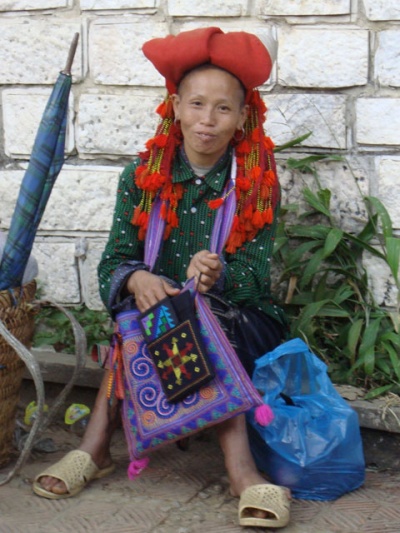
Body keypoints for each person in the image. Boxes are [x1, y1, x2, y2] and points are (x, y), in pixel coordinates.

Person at [33, 27, 291, 529]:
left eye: (223, 108)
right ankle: (98, 447)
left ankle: (237, 470)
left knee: (195, 314)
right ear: (175, 107)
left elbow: (257, 279)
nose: (208, 120)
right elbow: (113, 263)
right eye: (196, 104)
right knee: (141, 315)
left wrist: (216, 274)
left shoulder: (255, 184)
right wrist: (136, 280)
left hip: (240, 322)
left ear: (242, 117)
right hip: (156, 324)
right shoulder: (142, 178)